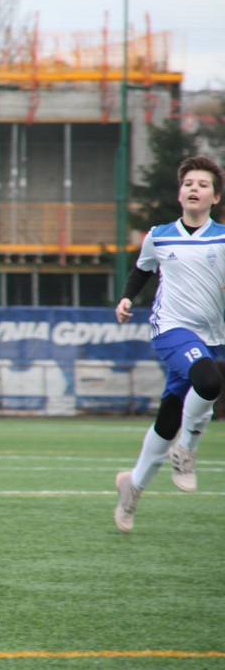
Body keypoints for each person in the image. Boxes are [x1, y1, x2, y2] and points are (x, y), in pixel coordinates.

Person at [113, 156, 225, 533]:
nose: (194, 188)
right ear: (180, 194)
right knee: (208, 381)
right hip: (170, 329)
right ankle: (187, 451)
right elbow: (142, 269)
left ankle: (132, 487)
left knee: (168, 418)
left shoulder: (222, 238)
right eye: (188, 183)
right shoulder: (159, 235)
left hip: (209, 337)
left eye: (203, 184)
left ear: (215, 197)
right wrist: (126, 298)